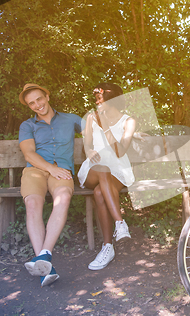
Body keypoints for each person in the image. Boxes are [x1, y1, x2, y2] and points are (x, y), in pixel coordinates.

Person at [18, 83, 82, 286]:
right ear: (29, 106)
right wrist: (49, 168)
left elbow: (96, 131)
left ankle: (43, 258)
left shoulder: (71, 119)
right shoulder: (28, 125)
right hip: (35, 170)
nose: (37, 105)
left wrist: (128, 132)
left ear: (47, 94)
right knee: (33, 204)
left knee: (63, 198)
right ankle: (45, 263)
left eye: (39, 99)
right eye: (32, 103)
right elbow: (28, 153)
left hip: (61, 169)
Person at [77, 83, 136, 270]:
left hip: (118, 168)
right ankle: (120, 222)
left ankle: (107, 247)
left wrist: (105, 125)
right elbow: (86, 145)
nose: (96, 102)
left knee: (100, 193)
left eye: (100, 99)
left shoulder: (129, 121)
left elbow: (120, 151)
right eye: (96, 99)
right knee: (102, 168)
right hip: (94, 168)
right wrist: (89, 151)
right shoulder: (90, 118)